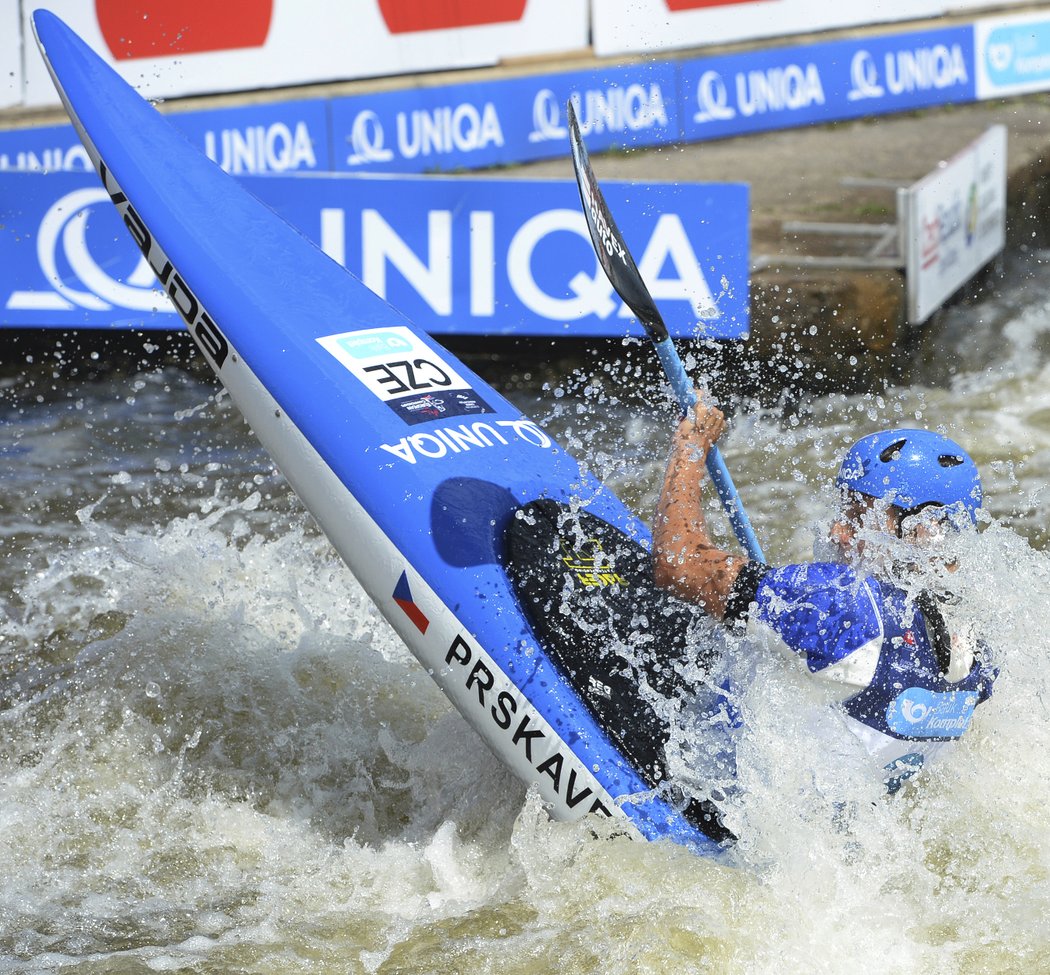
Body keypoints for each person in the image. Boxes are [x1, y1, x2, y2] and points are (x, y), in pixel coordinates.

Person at [653, 399, 997, 793]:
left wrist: (691, 443)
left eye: (858, 517)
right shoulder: (981, 646)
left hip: (709, 801)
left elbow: (677, 563)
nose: (838, 532)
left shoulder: (842, 605)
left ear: (924, 531)